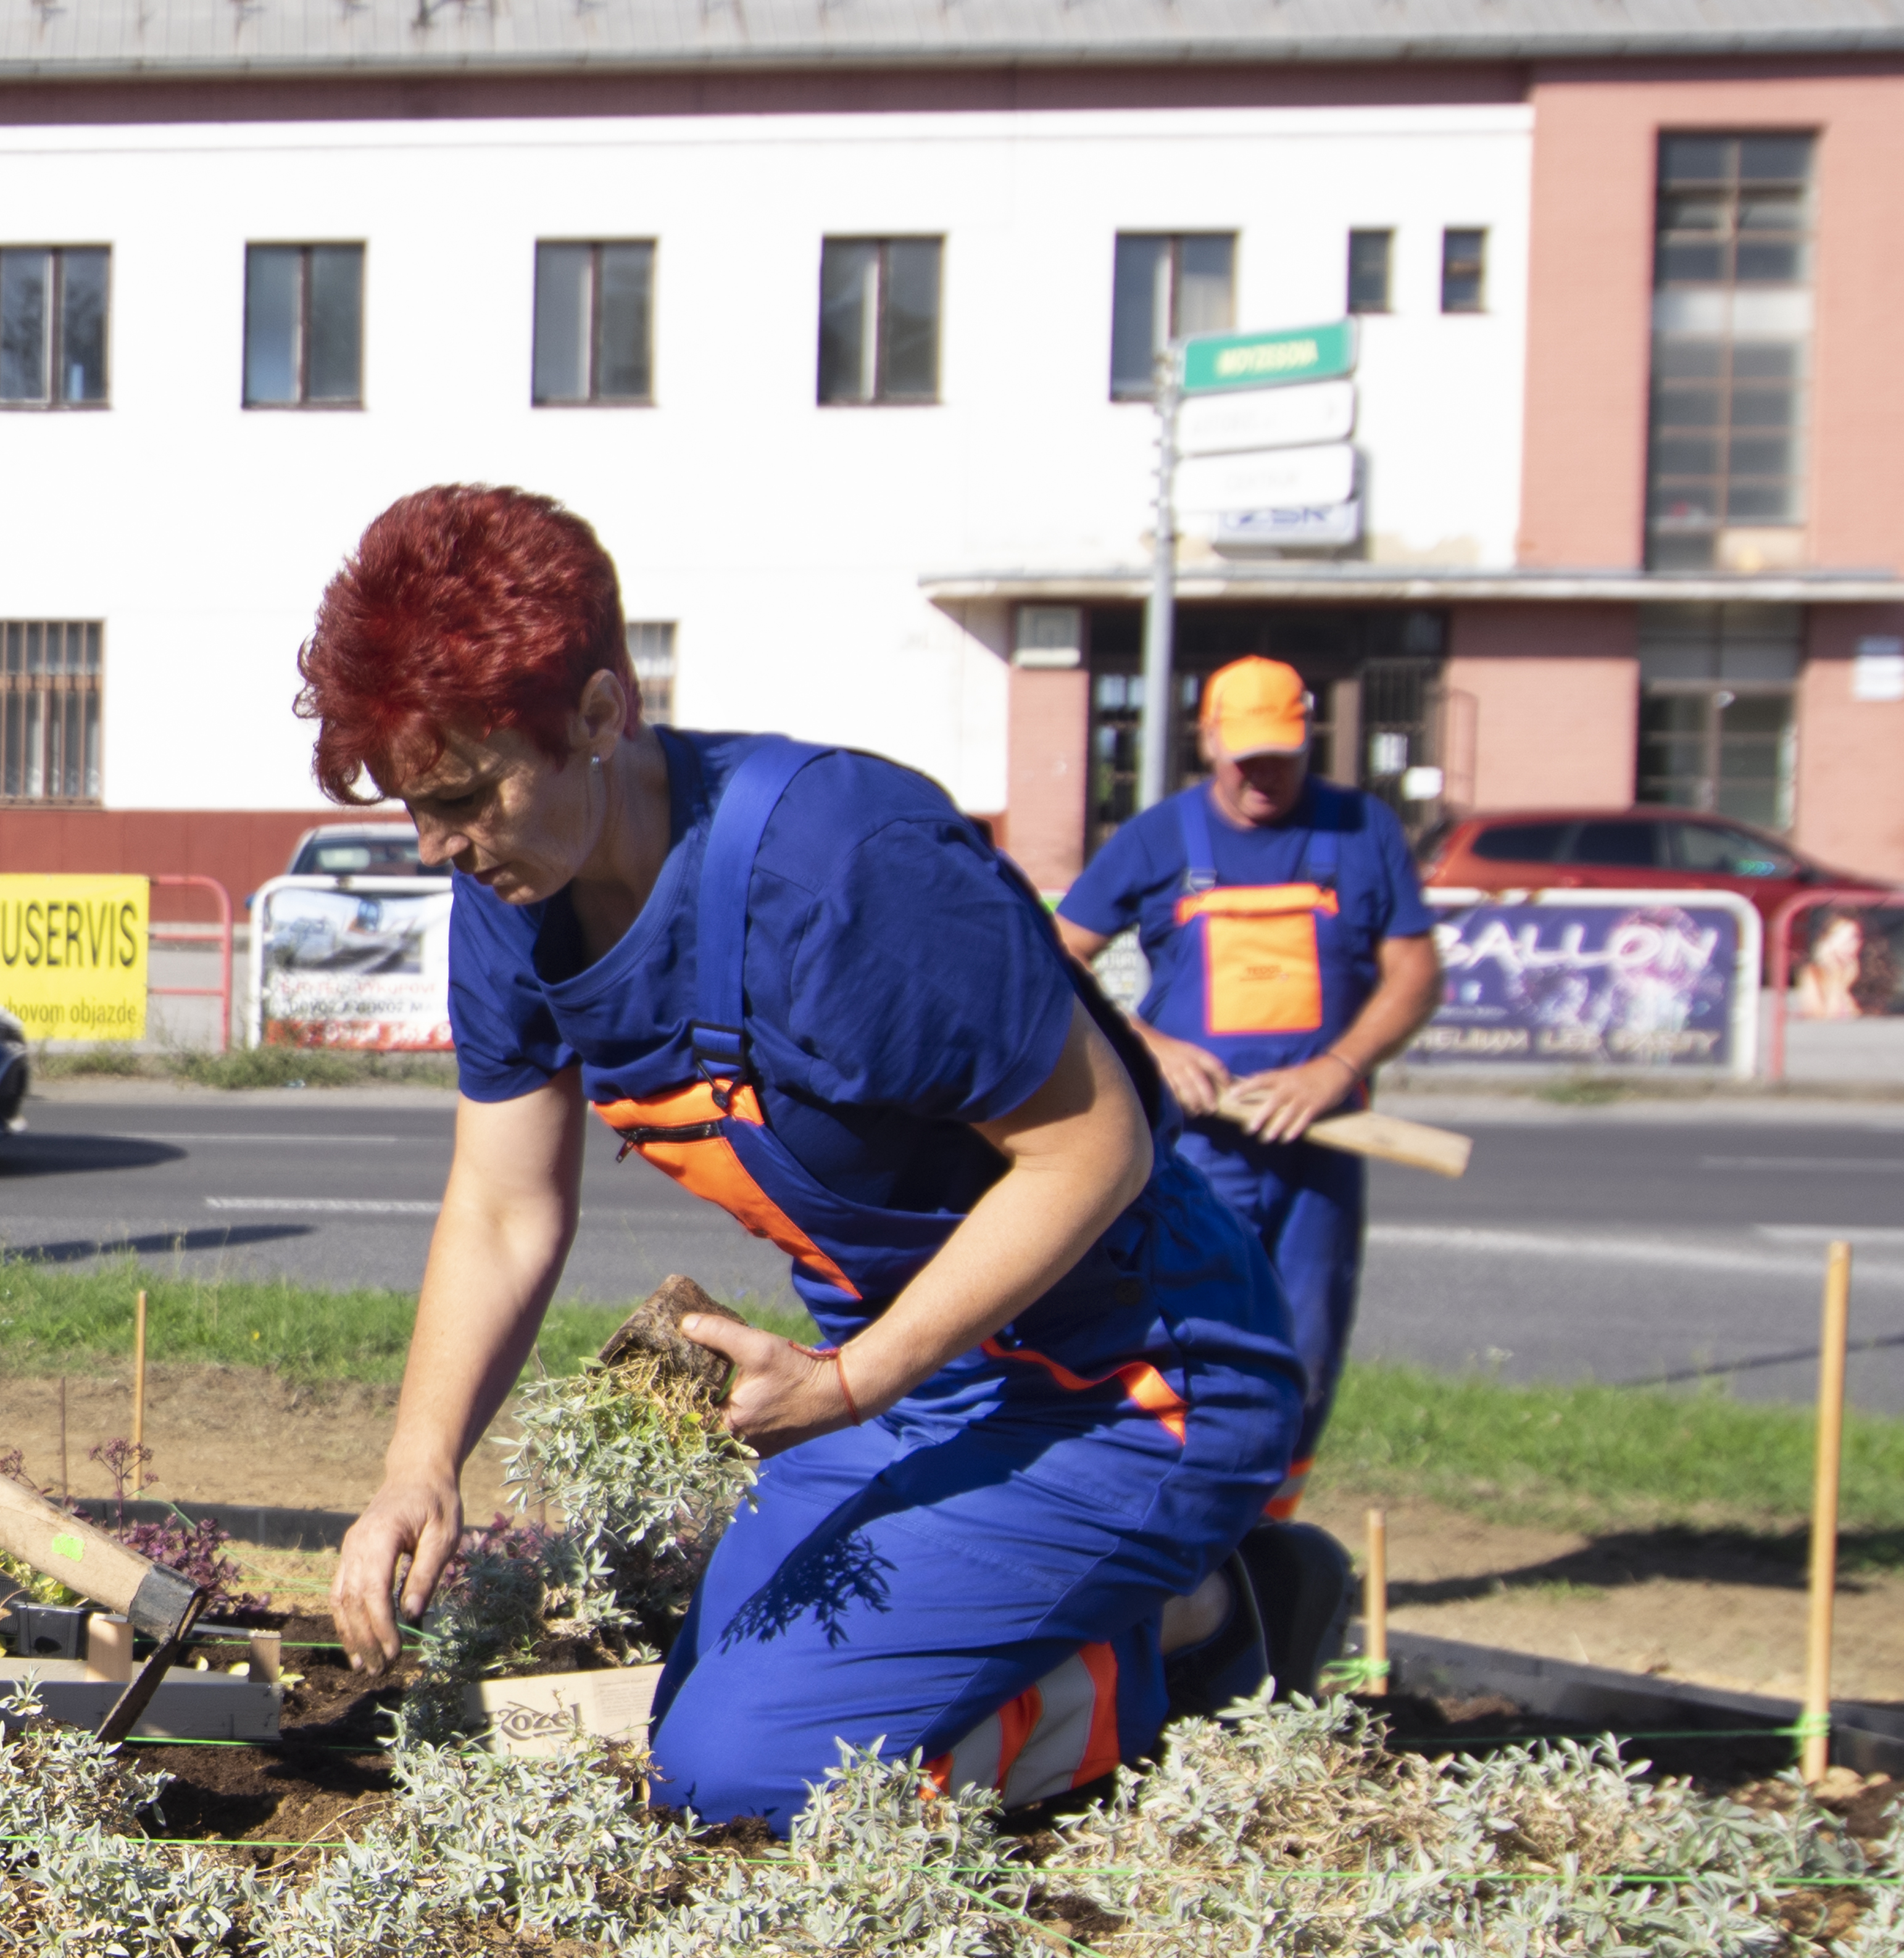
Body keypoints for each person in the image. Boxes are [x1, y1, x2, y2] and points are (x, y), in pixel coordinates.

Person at [314, 487, 1300, 1833]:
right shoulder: (513, 896)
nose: (435, 845)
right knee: (690, 1718)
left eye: (462, 795)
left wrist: (847, 1383)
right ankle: (1157, 1602)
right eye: (409, 806)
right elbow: (499, 1206)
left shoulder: (845, 876)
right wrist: (416, 1467)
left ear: (602, 716)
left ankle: (1188, 1635)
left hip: (1132, 1383)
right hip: (934, 1388)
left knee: (745, 1783)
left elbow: (1092, 1150)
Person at [1055, 657, 1438, 1526]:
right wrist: (1148, 1047)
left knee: (1304, 1352)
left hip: (1320, 1157)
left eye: (1283, 756)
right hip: (1195, 1152)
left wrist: (1335, 1070)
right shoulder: (1160, 838)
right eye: (1246, 758)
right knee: (1193, 1345)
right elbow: (1057, 950)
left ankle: (1268, 1551)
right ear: (1211, 741)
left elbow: (1414, 972)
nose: (1264, 776)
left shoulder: (1361, 830)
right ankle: (1178, 1541)